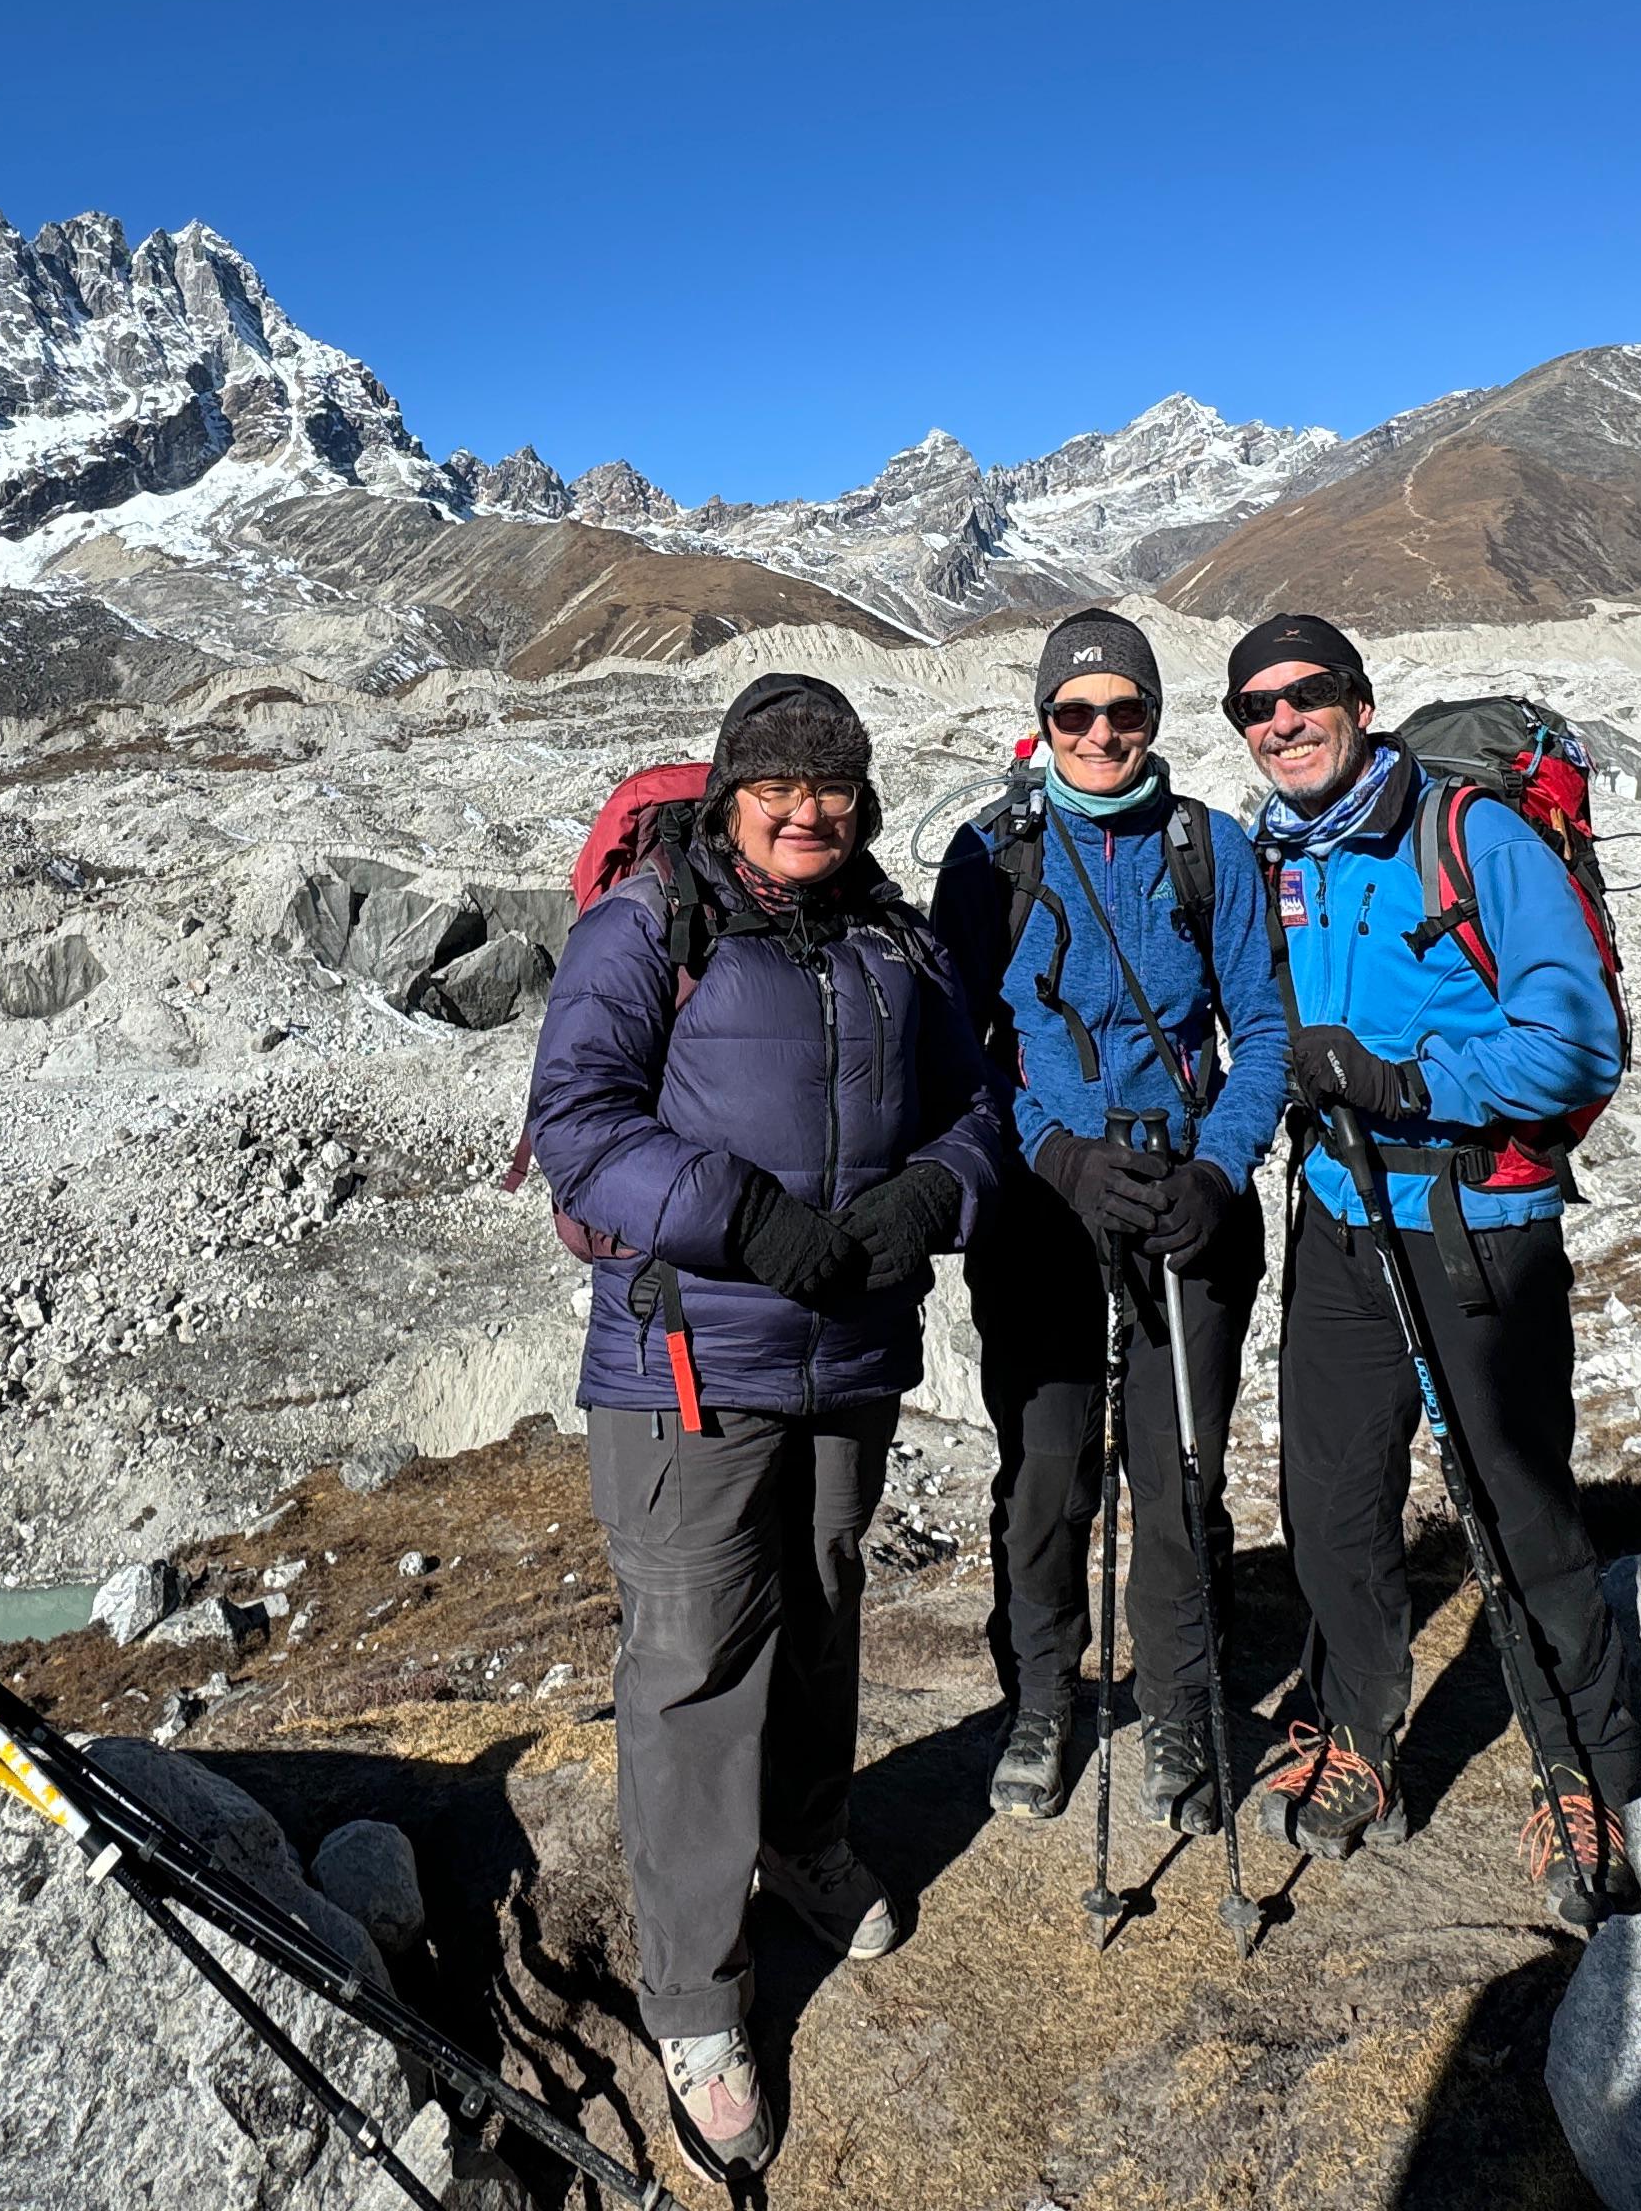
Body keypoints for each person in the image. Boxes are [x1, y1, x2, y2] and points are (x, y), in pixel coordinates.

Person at [526, 670, 1014, 2178]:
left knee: (821, 1605)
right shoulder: (646, 928)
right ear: (731, 793)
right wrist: (743, 1216)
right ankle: (694, 1995)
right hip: (690, 1368)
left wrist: (938, 1192)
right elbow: (580, 1124)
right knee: (691, 1664)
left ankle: (803, 1841)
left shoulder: (892, 940)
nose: (809, 812)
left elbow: (978, 1101)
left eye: (837, 788)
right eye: (779, 787)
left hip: (848, 1357)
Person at [1222, 612, 1641, 1925]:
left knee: (1517, 1508)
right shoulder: (1276, 861)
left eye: (1308, 697)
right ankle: (1362, 1736)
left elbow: (1580, 1043)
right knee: (1334, 1497)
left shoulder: (1473, 838)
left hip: (1481, 1223)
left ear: (1359, 704)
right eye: (1257, 707)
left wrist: (1406, 1077)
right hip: (1340, 1218)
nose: (1284, 721)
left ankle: (1590, 1773)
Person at [932, 611, 1287, 1839]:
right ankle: (1043, 1695)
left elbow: (1266, 1035)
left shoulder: (1211, 851)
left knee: (1180, 1470)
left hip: (1186, 1204)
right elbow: (957, 1050)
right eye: (1075, 713)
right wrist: (1054, 1153)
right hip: (1042, 1208)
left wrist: (1221, 1171)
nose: (1099, 733)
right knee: (1046, 1471)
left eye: (1122, 711)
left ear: (1152, 720)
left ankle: (1182, 1700)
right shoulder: (992, 857)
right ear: (1043, 723)